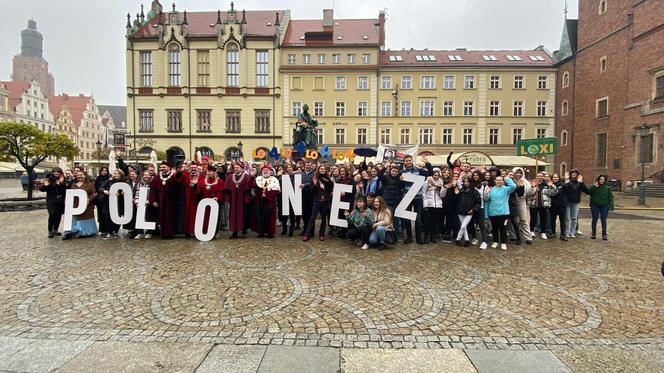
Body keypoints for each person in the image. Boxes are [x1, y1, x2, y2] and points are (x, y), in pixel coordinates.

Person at [399, 155, 433, 244]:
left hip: (418, 197)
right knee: (407, 218)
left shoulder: (419, 171)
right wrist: (400, 180)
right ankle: (409, 237)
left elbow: (430, 173)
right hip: (408, 197)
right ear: (404, 162)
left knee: (417, 219)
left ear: (412, 161)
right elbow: (399, 185)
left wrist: (427, 163)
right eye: (406, 161)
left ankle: (418, 238)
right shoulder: (402, 172)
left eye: (409, 160)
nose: (408, 162)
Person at [149, 161, 186, 239]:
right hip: (161, 202)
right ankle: (163, 234)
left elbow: (179, 183)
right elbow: (152, 190)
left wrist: (179, 171)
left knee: (171, 217)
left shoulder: (173, 176)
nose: (162, 169)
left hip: (172, 201)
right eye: (161, 167)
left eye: (164, 167)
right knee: (162, 217)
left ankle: (171, 234)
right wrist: (154, 200)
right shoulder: (157, 177)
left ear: (168, 168)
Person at [62, 170, 98, 240]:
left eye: (81, 175)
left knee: (85, 217)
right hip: (75, 205)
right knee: (76, 218)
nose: (79, 176)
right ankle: (73, 231)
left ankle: (85, 232)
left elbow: (94, 194)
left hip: (86, 205)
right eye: (78, 175)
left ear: (85, 176)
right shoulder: (73, 185)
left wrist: (89, 199)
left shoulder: (89, 184)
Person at [484, 175, 516, 250]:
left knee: (503, 228)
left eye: (500, 180)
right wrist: (486, 193)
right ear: (495, 181)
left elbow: (513, 186)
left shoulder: (506, 189)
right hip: (493, 212)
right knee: (494, 228)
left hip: (503, 212)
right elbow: (486, 199)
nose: (499, 181)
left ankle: (503, 242)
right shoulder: (492, 189)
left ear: (503, 181)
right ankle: (495, 241)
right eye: (497, 180)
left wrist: (506, 178)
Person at [303, 164, 334, 241]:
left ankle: (321, 234)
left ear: (325, 170)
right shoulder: (315, 178)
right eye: (321, 169)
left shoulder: (328, 179)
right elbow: (311, 191)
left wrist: (328, 183)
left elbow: (331, 189)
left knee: (323, 219)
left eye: (324, 169)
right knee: (312, 218)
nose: (322, 170)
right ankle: (307, 234)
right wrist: (315, 184)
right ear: (318, 170)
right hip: (317, 201)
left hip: (325, 201)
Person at [224, 162, 253, 239]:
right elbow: (227, 189)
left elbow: (250, 187)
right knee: (233, 215)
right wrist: (227, 199)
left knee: (243, 215)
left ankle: (243, 231)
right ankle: (234, 232)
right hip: (233, 200)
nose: (236, 169)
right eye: (235, 168)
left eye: (238, 167)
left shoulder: (246, 177)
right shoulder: (230, 177)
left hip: (243, 200)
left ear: (241, 168)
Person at [254, 165, 281, 238]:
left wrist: (267, 195)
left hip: (270, 201)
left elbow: (276, 190)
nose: (265, 171)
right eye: (264, 170)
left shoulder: (274, 179)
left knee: (270, 217)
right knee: (259, 217)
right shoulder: (258, 179)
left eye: (267, 170)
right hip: (260, 201)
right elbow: (255, 188)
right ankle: (261, 232)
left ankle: (270, 232)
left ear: (270, 171)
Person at [197, 164, 224, 238]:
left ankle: (215, 232)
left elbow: (221, 191)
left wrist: (217, 197)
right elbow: (199, 192)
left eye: (211, 172)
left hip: (216, 203)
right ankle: (204, 231)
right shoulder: (202, 181)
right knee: (205, 217)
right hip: (204, 203)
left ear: (214, 172)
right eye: (208, 171)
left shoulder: (220, 181)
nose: (209, 173)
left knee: (215, 218)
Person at [528, 172, 557, 240]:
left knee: (543, 219)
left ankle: (543, 232)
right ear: (536, 177)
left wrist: (551, 186)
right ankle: (531, 231)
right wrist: (533, 187)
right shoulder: (533, 183)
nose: (540, 177)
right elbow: (528, 193)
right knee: (533, 218)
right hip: (534, 204)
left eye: (541, 176)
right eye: (538, 176)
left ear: (543, 177)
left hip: (543, 205)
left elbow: (553, 193)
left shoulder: (546, 184)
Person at [99, 169, 126, 239]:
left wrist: (121, 193)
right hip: (108, 203)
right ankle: (109, 232)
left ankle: (116, 232)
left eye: (118, 173)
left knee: (118, 216)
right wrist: (104, 190)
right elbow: (101, 188)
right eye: (115, 173)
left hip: (119, 203)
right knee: (108, 217)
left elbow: (126, 191)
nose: (116, 175)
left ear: (121, 175)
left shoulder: (124, 182)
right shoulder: (109, 181)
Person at [378, 163, 402, 244]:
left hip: (396, 204)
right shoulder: (386, 178)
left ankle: (395, 238)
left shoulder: (399, 180)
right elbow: (379, 175)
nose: (394, 173)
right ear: (390, 171)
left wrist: (402, 180)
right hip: (388, 203)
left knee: (396, 222)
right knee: (388, 221)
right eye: (393, 171)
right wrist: (385, 167)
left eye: (396, 171)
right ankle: (387, 238)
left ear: (398, 172)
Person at [40, 167, 67, 238]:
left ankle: (55, 229)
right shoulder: (49, 180)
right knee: (52, 215)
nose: (56, 173)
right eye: (55, 172)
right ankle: (50, 231)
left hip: (60, 201)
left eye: (58, 172)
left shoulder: (63, 180)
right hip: (51, 201)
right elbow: (42, 189)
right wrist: (45, 185)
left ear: (61, 173)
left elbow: (65, 190)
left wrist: (61, 183)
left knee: (58, 215)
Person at [586, 174, 614, 240]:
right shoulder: (594, 186)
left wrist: (611, 205)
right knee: (594, 219)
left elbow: (610, 197)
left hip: (604, 206)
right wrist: (594, 187)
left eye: (603, 179)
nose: (602, 181)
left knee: (603, 219)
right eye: (601, 179)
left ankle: (604, 234)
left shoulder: (607, 187)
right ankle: (593, 233)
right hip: (595, 205)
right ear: (598, 180)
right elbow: (588, 192)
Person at [455, 177, 481, 247]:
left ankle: (458, 239)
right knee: (464, 227)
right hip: (460, 211)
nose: (466, 183)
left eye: (467, 182)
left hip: (469, 212)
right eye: (465, 182)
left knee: (463, 226)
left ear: (470, 182)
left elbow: (478, 202)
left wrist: (473, 209)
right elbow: (456, 200)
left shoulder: (474, 191)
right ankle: (467, 240)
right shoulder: (461, 190)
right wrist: (456, 194)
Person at [511, 168, 533, 244]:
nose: (518, 174)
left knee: (523, 219)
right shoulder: (510, 181)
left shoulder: (525, 182)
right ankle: (513, 235)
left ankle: (527, 237)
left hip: (521, 201)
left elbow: (529, 192)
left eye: (519, 173)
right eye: (516, 173)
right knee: (512, 220)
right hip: (511, 202)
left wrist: (532, 187)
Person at [423, 170, 444, 243]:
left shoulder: (441, 183)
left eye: (437, 175)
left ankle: (433, 237)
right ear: (432, 175)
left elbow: (442, 195)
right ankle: (426, 237)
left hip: (437, 205)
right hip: (429, 204)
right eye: (435, 175)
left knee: (435, 223)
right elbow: (424, 193)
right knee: (427, 222)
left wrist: (441, 188)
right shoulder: (427, 182)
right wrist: (425, 204)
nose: (436, 176)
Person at [564, 170, 586, 238]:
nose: (574, 174)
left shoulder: (579, 182)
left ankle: (572, 232)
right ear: (570, 174)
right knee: (567, 218)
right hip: (567, 202)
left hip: (576, 202)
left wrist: (581, 182)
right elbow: (567, 189)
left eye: (575, 173)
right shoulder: (566, 181)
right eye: (572, 173)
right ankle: (566, 232)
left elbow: (585, 190)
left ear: (577, 175)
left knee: (574, 218)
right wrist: (567, 181)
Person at [134, 170, 156, 239]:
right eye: (145, 175)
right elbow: (137, 192)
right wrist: (136, 201)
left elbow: (153, 193)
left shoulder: (153, 182)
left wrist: (149, 200)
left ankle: (149, 233)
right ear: (143, 176)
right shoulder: (140, 183)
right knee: (140, 217)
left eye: (148, 175)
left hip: (149, 203)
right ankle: (140, 233)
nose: (146, 176)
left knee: (149, 217)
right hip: (141, 202)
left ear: (150, 175)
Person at [550, 173, 569, 241]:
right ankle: (553, 233)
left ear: (559, 178)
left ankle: (562, 234)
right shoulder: (550, 185)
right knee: (552, 220)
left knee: (562, 220)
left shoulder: (562, 184)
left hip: (561, 205)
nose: (555, 178)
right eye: (554, 177)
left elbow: (559, 191)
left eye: (557, 177)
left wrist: (567, 182)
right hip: (553, 205)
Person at [94, 167, 110, 235]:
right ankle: (101, 229)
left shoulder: (109, 178)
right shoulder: (98, 179)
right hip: (100, 199)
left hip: (107, 199)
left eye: (105, 171)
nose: (104, 172)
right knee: (100, 215)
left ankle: (107, 229)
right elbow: (96, 188)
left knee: (106, 215)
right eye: (103, 170)